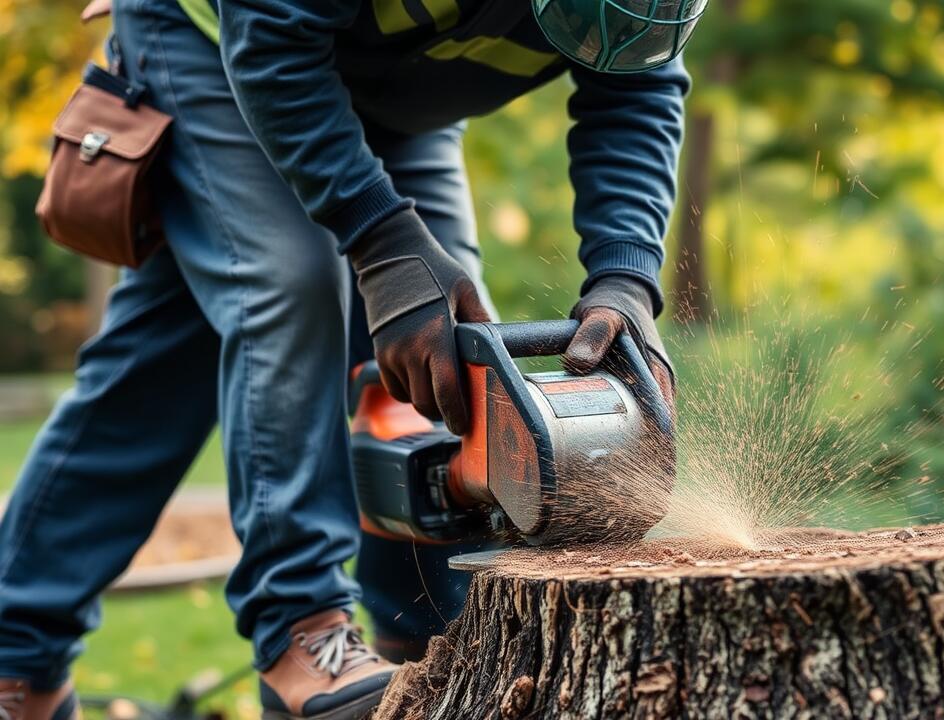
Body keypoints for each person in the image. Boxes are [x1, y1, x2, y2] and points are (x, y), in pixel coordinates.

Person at [0, 0, 702, 716]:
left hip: (394, 99)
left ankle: (433, 646)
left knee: (433, 351)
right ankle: (299, 625)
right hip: (221, 46)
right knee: (291, 281)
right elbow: (270, 34)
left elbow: (636, 85)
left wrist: (625, 278)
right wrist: (381, 242)